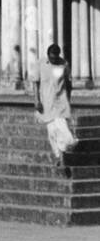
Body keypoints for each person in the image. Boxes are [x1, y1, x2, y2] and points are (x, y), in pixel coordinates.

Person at [32, 42, 77, 171]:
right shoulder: (41, 64)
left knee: (64, 130)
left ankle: (63, 150)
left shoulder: (64, 64)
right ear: (48, 56)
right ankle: (59, 156)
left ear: (58, 56)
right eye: (51, 58)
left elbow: (68, 84)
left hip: (61, 102)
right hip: (46, 102)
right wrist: (36, 100)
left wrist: (68, 99)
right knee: (51, 131)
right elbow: (35, 83)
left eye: (55, 58)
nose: (53, 60)